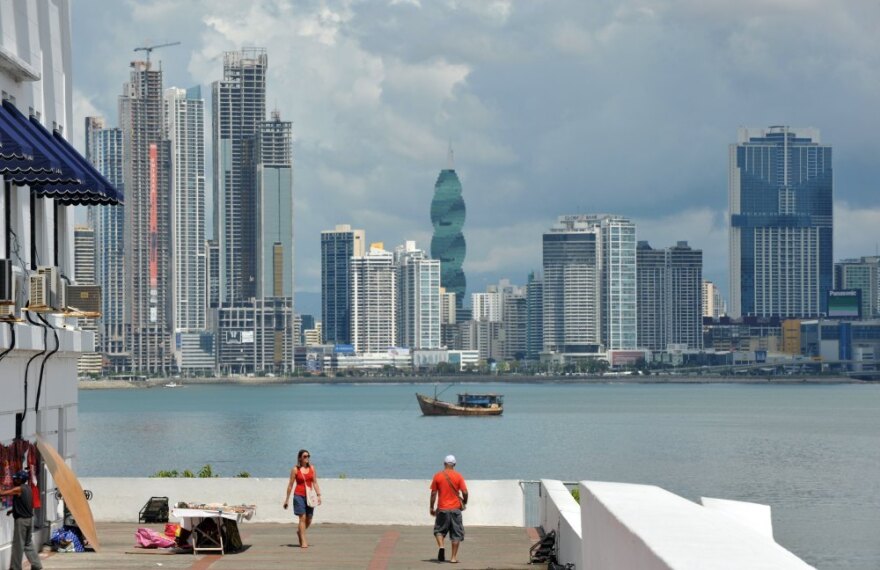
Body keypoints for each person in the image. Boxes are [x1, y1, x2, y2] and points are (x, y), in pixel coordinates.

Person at [0, 470, 43, 570]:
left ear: (20, 480)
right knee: (28, 544)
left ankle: (15, 567)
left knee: (18, 546)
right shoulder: (28, 488)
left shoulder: (19, 489)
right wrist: (12, 511)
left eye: (16, 478)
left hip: (22, 521)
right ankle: (37, 565)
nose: (14, 480)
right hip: (29, 520)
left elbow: (2, 493)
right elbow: (25, 504)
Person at [430, 454, 468, 564]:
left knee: (438, 531)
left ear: (444, 464)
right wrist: (464, 501)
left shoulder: (437, 476)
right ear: (454, 464)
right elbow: (465, 492)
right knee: (456, 534)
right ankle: (453, 558)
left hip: (442, 509)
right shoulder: (458, 476)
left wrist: (431, 507)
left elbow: (433, 493)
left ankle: (441, 546)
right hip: (455, 509)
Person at [283, 449, 322, 548]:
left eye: (308, 456)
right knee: (302, 518)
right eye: (305, 456)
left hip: (310, 497)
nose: (307, 458)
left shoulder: (312, 468)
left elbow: (315, 483)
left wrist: (318, 495)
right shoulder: (295, 469)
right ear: (300, 458)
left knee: (309, 519)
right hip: (298, 495)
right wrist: (287, 499)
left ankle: (299, 532)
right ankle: (304, 541)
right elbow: (290, 485)